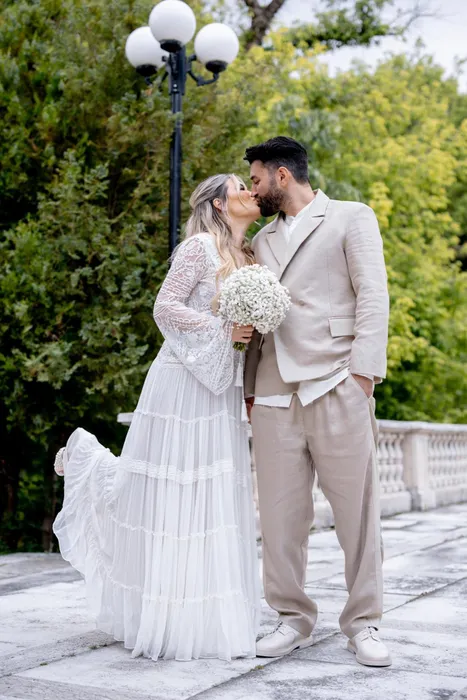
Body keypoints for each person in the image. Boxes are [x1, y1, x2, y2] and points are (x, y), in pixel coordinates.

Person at [53, 174, 262, 662]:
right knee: (167, 490)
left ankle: (204, 620)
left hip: (222, 389)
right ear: (218, 203)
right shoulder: (199, 248)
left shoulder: (249, 257)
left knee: (209, 496)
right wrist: (223, 327)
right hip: (180, 383)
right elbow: (164, 307)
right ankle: (85, 458)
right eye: (239, 186)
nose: (249, 192)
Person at [244, 136, 392, 667]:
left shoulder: (352, 217)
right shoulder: (260, 241)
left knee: (357, 515)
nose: (253, 190)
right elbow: (254, 320)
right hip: (274, 392)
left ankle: (364, 623)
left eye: (257, 179)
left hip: (337, 381)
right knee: (280, 518)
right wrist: (250, 389)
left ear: (282, 175)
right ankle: (291, 618)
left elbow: (373, 294)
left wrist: (363, 375)